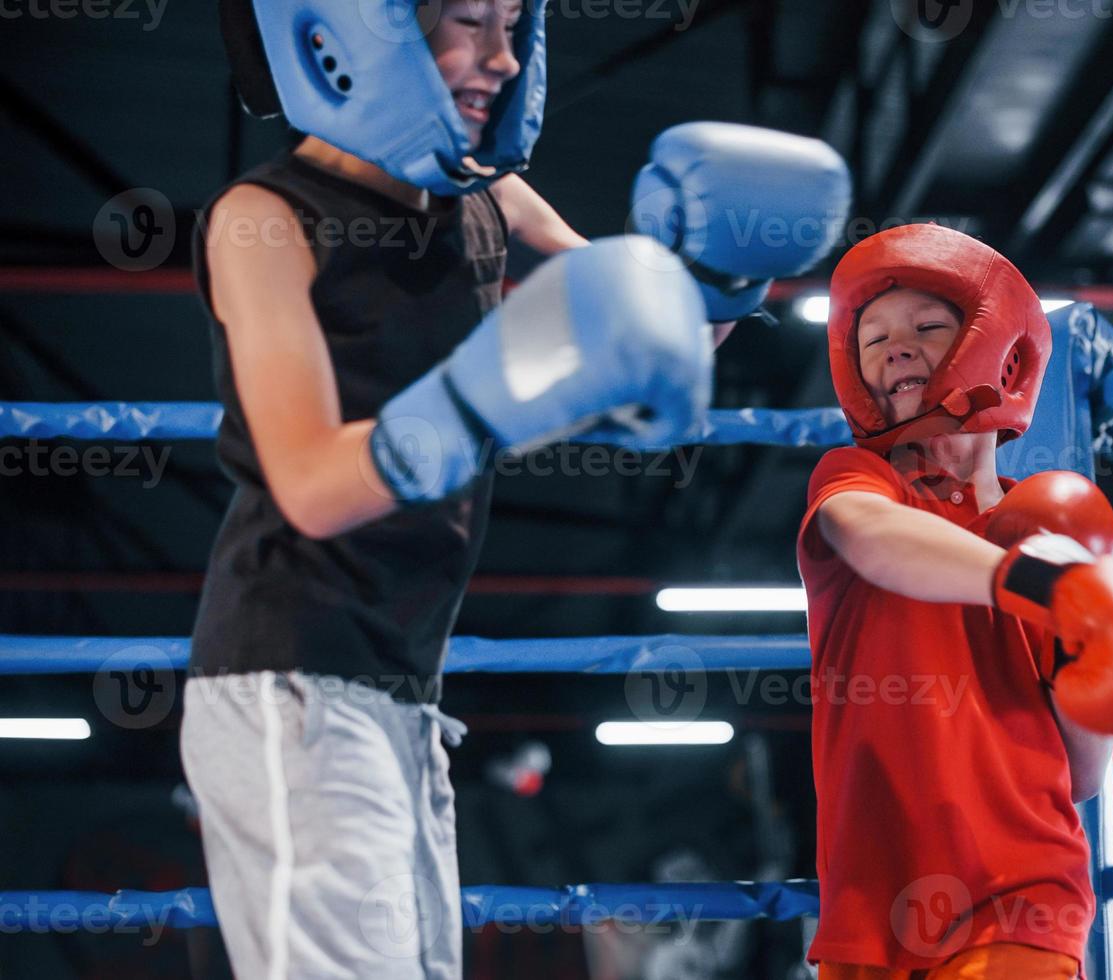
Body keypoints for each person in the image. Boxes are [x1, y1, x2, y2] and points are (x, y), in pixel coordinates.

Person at [181, 0, 851, 976]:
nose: (499, 58)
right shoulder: (262, 220)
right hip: (287, 670)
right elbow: (312, 483)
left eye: (510, 25)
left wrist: (718, 270)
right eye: (466, 22)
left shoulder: (488, 195)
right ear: (351, 30)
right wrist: (486, 394)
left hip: (401, 684)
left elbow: (654, 330)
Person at [796, 223, 1113, 979]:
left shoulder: (1052, 532)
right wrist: (1045, 588)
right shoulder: (859, 481)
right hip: (870, 903)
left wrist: (1104, 660)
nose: (895, 348)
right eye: (873, 337)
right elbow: (868, 534)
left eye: (926, 326)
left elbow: (1082, 775)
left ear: (1000, 349)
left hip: (1023, 896)